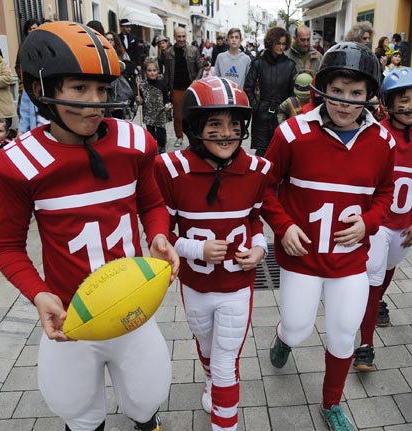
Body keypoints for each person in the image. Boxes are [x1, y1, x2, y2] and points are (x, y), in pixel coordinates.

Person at [0, 21, 179, 431]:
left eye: (103, 89)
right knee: (78, 412)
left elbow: (152, 203)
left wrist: (160, 235)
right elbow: (5, 246)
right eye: (79, 88)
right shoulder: (19, 163)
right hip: (70, 316)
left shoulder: (133, 143)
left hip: (133, 306)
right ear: (41, 89)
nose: (96, 103)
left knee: (147, 400)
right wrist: (39, 293)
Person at [261, 42, 395, 431]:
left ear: (370, 96)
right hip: (303, 255)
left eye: (356, 93)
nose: (345, 101)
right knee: (299, 326)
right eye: (337, 90)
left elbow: (386, 193)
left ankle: (332, 403)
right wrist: (283, 227)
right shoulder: (292, 132)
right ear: (322, 87)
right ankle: (285, 336)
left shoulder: (382, 140)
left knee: (342, 334)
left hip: (349, 258)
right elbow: (266, 187)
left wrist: (369, 222)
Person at [155, 76, 270, 431]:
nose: (227, 133)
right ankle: (208, 380)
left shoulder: (256, 170)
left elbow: (254, 218)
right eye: (215, 124)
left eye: (234, 125)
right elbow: (161, 234)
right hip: (195, 285)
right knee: (206, 348)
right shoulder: (170, 170)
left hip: (237, 286)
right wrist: (196, 248)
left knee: (225, 363)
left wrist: (260, 248)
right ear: (194, 127)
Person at [353, 68, 412, 371]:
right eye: (403, 100)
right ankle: (365, 345)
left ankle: (375, 303)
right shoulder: (375, 134)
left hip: (407, 224)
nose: (410, 106)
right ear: (388, 103)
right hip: (378, 223)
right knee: (372, 279)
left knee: (388, 269)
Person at [244, 26, 297, 156]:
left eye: (284, 44)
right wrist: (256, 107)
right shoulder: (258, 63)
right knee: (262, 154)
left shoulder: (290, 65)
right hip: (262, 116)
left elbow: (293, 93)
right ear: (271, 43)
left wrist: (288, 112)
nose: (281, 47)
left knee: (281, 152)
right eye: (278, 43)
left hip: (281, 116)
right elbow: (248, 88)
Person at [165, 26, 202, 148]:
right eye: (179, 36)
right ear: (174, 37)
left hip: (191, 86)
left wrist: (196, 82)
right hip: (176, 87)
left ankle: (195, 136)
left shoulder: (194, 50)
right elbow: (167, 73)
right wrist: (167, 89)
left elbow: (200, 68)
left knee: (193, 113)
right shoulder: (168, 52)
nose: (181, 39)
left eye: (183, 36)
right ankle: (179, 137)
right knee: (177, 115)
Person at [137, 58, 169, 154]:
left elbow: (166, 98)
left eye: (154, 70)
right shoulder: (142, 85)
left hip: (160, 112)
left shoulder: (162, 84)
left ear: (158, 71)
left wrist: (168, 105)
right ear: (145, 72)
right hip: (148, 112)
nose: (152, 73)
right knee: (150, 132)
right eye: (149, 70)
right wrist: (139, 100)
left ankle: (162, 146)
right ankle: (152, 146)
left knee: (160, 132)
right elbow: (141, 100)